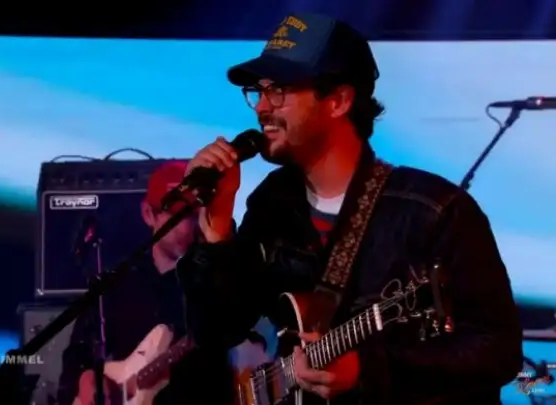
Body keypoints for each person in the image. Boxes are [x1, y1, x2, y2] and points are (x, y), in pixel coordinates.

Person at [176, 12, 524, 405]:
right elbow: (215, 332)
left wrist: (368, 370)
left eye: (279, 90)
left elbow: (497, 351)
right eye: (258, 91)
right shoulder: (274, 201)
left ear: (339, 101)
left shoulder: (434, 211)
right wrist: (216, 228)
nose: (261, 107)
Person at [57, 161, 234, 405]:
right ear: (148, 214)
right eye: (176, 215)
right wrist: (85, 378)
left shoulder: (211, 277)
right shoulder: (118, 282)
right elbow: (76, 356)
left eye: (193, 214)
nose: (186, 227)